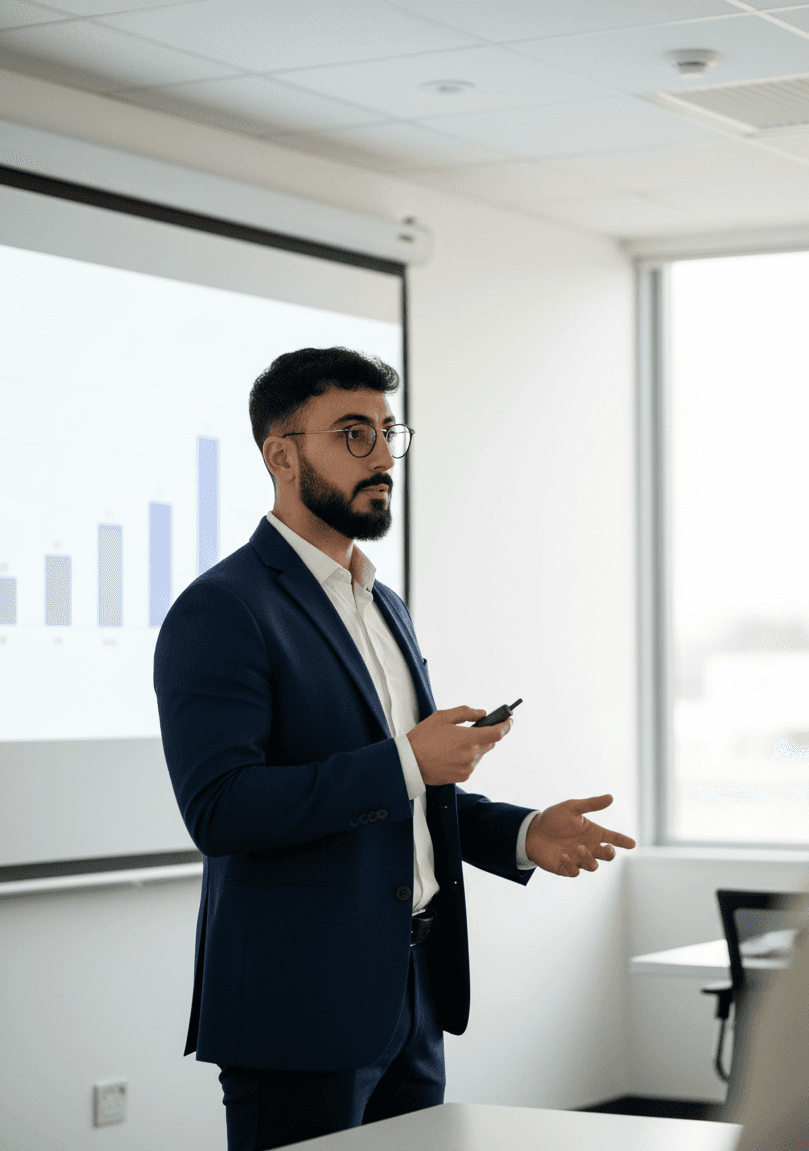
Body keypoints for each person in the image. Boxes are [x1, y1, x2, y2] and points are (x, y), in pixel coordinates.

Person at [153, 346, 635, 1151]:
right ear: (281, 453)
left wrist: (519, 832)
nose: (380, 456)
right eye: (351, 433)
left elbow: (401, 792)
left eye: (385, 432)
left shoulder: (385, 605)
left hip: (411, 992)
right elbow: (222, 808)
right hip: (297, 1008)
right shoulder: (222, 610)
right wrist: (410, 759)